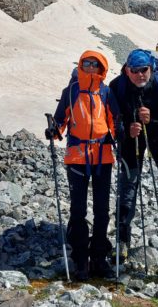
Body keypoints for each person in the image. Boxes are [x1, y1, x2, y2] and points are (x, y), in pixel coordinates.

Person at [109, 49, 158, 261]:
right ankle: (122, 238)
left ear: (151, 69)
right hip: (131, 139)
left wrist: (152, 120)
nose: (140, 74)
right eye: (134, 70)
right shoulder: (117, 87)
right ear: (127, 70)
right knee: (128, 184)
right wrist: (126, 129)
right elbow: (112, 120)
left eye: (144, 70)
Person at [51, 50, 120, 280]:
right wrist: (54, 130)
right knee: (78, 210)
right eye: (86, 63)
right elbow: (61, 119)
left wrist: (116, 133)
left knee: (102, 210)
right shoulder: (71, 91)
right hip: (78, 156)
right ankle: (81, 259)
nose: (91, 67)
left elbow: (115, 120)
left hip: (102, 156)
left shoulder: (106, 92)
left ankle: (98, 258)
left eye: (95, 64)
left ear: (102, 68)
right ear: (81, 65)